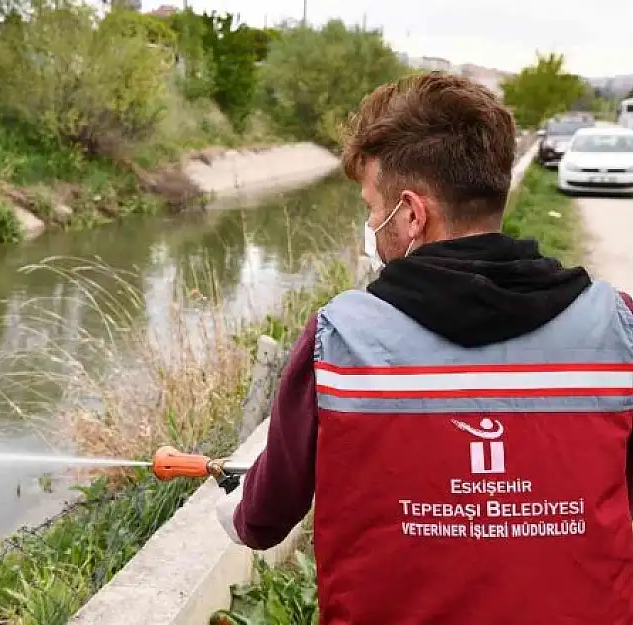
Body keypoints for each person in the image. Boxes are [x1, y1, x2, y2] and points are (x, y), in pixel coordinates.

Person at [217, 71, 633, 624]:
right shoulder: (618, 327)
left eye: (371, 207)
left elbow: (263, 520)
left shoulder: (338, 341)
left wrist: (237, 503)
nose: (370, 224)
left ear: (412, 214)